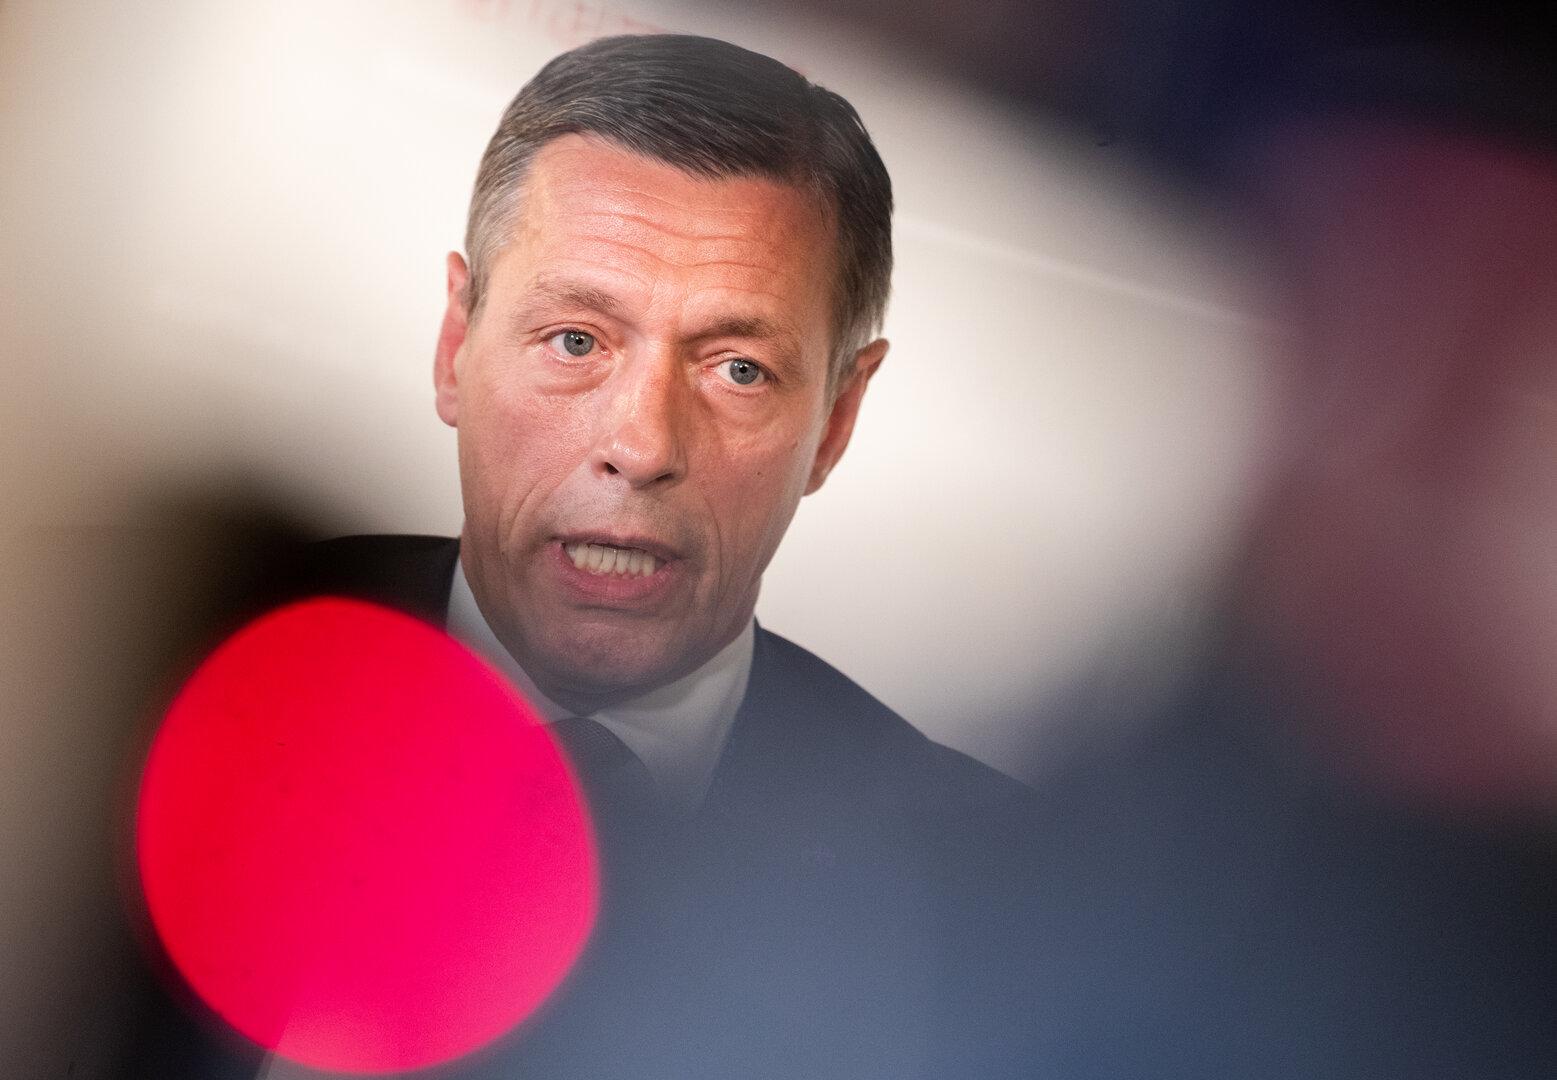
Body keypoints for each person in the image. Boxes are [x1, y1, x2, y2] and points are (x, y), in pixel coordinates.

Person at [123, 33, 1039, 1080]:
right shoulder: (116, 674)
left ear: (836, 420)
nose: (641, 447)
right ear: (455, 346)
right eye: (575, 341)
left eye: (738, 369)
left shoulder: (994, 894)